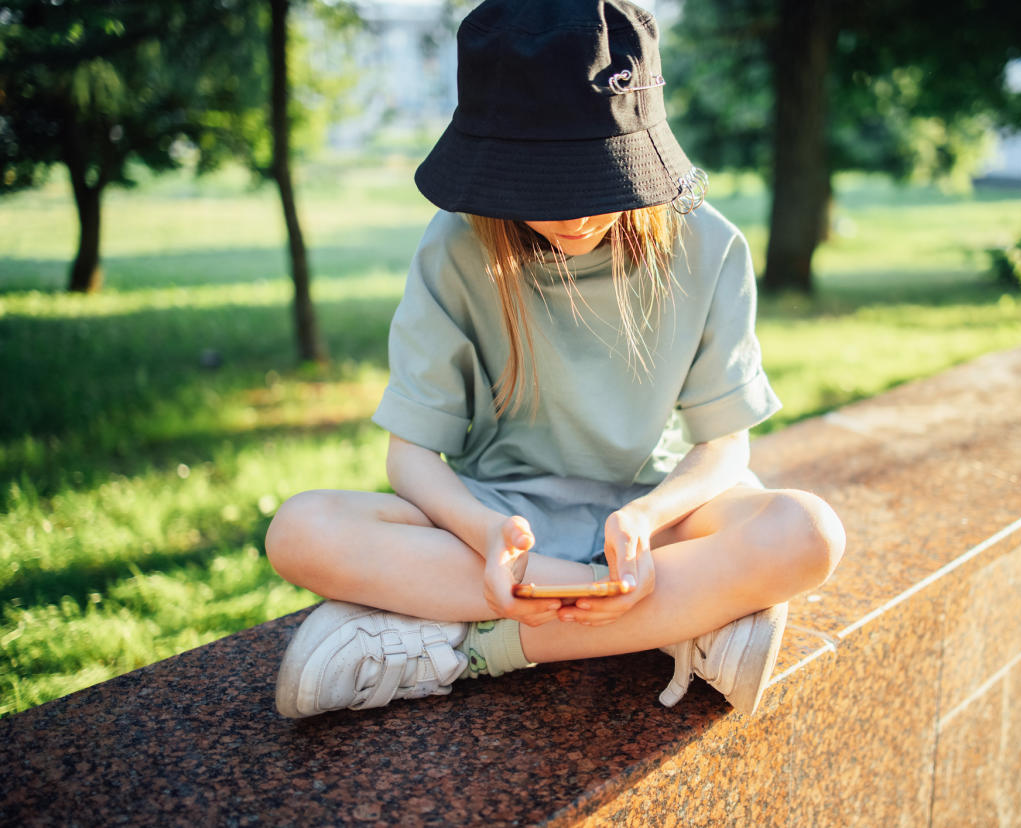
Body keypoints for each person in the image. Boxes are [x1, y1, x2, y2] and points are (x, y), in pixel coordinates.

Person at [265, 0, 845, 719]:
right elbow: (410, 459)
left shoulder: (711, 246)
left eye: (599, 176)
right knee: (299, 530)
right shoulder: (453, 249)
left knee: (808, 533)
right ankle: (686, 621)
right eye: (545, 185)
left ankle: (475, 647)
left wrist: (645, 519)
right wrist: (489, 541)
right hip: (500, 526)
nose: (574, 214)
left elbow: (724, 445)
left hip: (656, 518)